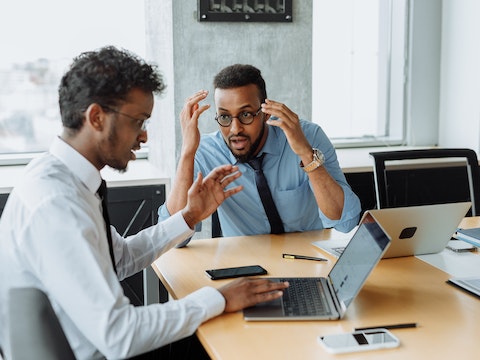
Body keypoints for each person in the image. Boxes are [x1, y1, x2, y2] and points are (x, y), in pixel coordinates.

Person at [0, 48, 288, 360]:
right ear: (96, 117)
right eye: (138, 121)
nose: (144, 136)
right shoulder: (57, 203)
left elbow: (119, 258)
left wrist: (189, 217)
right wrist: (218, 299)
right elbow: (119, 335)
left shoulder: (63, 179)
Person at [158, 64, 361, 242]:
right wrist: (187, 153)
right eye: (225, 117)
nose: (235, 129)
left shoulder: (308, 136)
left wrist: (306, 155)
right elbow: (171, 240)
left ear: (265, 113)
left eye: (246, 115)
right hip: (245, 270)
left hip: (308, 262)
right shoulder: (205, 151)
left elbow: (346, 223)